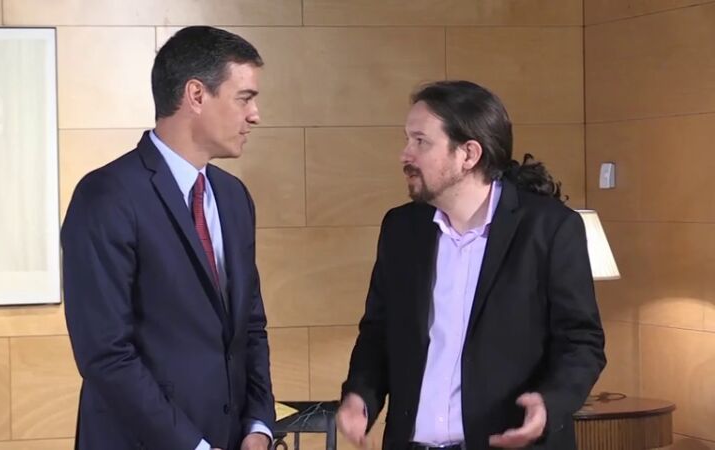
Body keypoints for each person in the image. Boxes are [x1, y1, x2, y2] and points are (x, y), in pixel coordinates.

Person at [336, 80, 605, 450]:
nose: (405, 155)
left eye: (420, 141)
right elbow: (378, 333)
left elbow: (582, 342)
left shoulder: (550, 228)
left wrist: (550, 403)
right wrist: (360, 396)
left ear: (468, 154)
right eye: (407, 140)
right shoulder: (401, 228)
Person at [61, 26, 274, 450]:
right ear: (196, 95)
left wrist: (258, 424)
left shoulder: (234, 198)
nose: (255, 115)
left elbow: (250, 326)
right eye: (244, 98)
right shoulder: (106, 196)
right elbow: (106, 355)